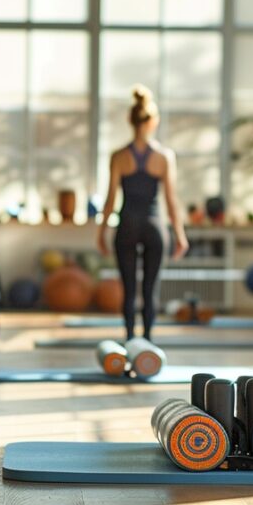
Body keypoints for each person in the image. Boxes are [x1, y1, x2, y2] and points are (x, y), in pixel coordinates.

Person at [97, 85, 189, 341]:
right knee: (149, 291)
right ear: (154, 122)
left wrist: (102, 232)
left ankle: (129, 341)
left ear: (130, 120)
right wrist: (180, 235)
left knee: (128, 291)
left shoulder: (118, 157)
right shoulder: (164, 157)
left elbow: (110, 199)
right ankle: (147, 343)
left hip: (126, 224)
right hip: (153, 226)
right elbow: (171, 201)